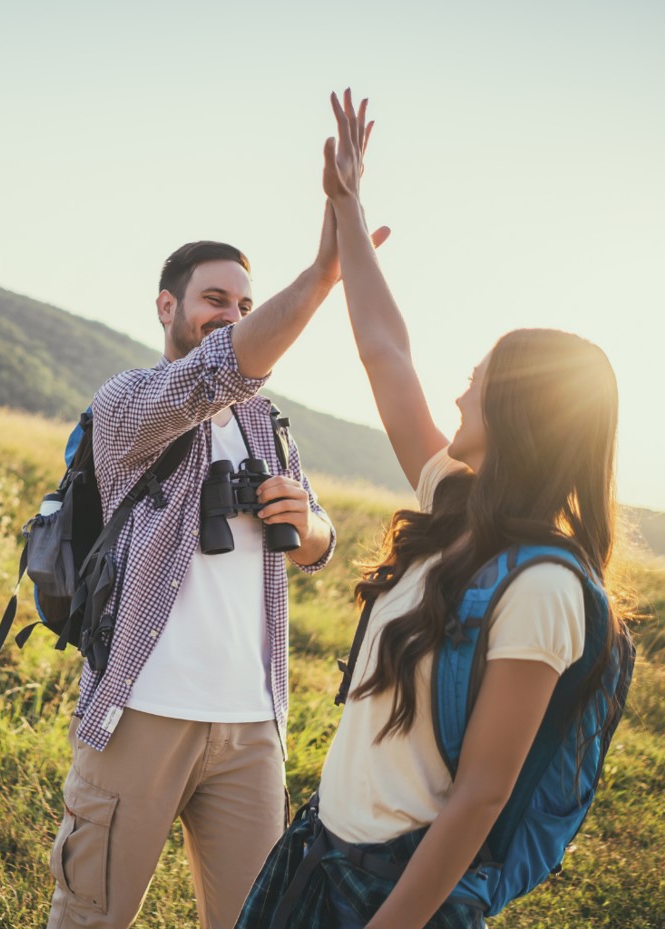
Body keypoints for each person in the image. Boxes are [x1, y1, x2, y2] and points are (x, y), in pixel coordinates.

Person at [235, 91, 632, 929]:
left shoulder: (545, 590)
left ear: (522, 414)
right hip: (318, 852)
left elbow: (482, 795)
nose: (457, 387)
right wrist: (345, 209)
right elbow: (386, 354)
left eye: (479, 378)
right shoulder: (453, 504)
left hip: (393, 900)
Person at [47, 207, 386, 929]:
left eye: (243, 305)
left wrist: (307, 524)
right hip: (142, 711)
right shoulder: (129, 402)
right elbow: (217, 370)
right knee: (90, 916)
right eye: (213, 300)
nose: (229, 316)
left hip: (249, 724)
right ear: (166, 305)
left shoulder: (266, 422)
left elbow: (319, 542)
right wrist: (324, 276)